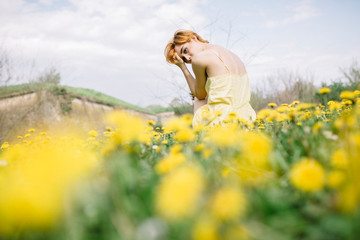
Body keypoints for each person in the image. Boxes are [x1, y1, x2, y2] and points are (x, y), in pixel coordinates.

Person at [164, 30, 256, 127]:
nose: (188, 58)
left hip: (222, 120)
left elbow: (200, 95)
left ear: (193, 38)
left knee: (198, 99)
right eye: (184, 59)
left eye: (185, 50)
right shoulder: (232, 55)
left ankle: (201, 137)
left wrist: (183, 67)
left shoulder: (199, 59)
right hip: (246, 119)